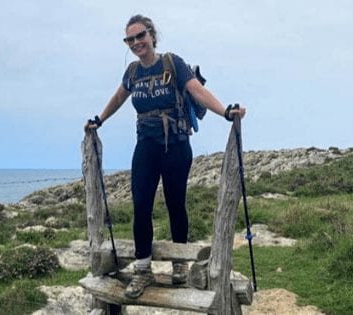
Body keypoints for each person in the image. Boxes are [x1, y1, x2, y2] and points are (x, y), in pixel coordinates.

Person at [84, 14, 247, 299]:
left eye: (140, 36)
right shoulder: (133, 72)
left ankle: (180, 265)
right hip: (146, 145)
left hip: (177, 145)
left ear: (151, 35)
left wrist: (225, 112)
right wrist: (99, 120)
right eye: (130, 39)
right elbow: (120, 97)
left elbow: (197, 90)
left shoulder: (173, 63)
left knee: (176, 205)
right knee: (141, 206)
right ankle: (143, 269)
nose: (136, 43)